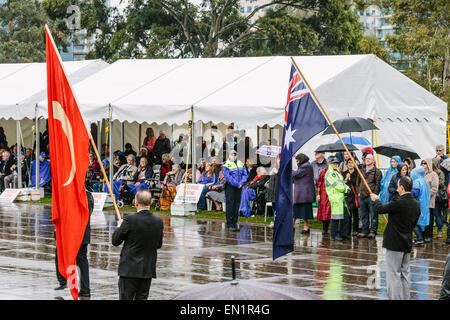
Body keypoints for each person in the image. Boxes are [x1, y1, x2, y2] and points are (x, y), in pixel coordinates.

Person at [370, 176, 420, 300]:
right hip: (407, 241)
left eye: (398, 186)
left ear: (402, 187)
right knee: (404, 273)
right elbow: (413, 223)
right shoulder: (416, 203)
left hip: (394, 243)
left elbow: (379, 209)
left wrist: (376, 200)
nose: (397, 188)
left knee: (393, 274)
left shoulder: (398, 202)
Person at [112, 189, 164, 300]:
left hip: (129, 270)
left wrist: (119, 227)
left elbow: (115, 241)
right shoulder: (158, 221)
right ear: (151, 203)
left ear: (136, 203)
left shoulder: (129, 220)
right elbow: (158, 244)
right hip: (147, 269)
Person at [54, 190, 94, 300]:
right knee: (81, 261)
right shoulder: (88, 195)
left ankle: (70, 285)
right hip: (82, 233)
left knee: (71, 260)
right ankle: (84, 289)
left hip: (72, 233)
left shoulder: (70, 194)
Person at [356, 153, 382, 239]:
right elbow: (358, 182)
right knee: (363, 215)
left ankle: (372, 231)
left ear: (373, 161)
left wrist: (374, 194)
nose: (367, 160)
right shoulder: (361, 170)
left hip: (371, 196)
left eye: (369, 159)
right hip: (362, 196)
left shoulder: (377, 172)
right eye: (366, 158)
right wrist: (358, 192)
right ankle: (364, 231)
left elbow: (378, 185)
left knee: (373, 214)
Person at [222, 150, 248, 231]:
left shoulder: (241, 164)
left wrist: (241, 183)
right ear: (229, 156)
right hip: (230, 187)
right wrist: (237, 184)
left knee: (236, 205)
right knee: (230, 205)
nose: (234, 156)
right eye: (232, 155)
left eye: (235, 155)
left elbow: (245, 175)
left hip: (239, 187)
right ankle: (229, 224)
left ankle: (235, 223)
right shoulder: (226, 165)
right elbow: (228, 177)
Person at [325, 157, 350, 241]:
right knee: (335, 218)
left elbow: (342, 183)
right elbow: (338, 186)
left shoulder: (337, 172)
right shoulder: (331, 173)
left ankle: (343, 234)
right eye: (334, 163)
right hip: (335, 198)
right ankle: (334, 235)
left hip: (340, 198)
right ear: (330, 164)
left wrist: (347, 187)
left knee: (344, 216)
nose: (336, 165)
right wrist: (346, 189)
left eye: (337, 163)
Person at [292, 153, 315, 234]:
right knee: (296, 210)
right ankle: (294, 226)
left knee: (302, 211)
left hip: (304, 194)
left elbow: (296, 174)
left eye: (297, 160)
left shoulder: (305, 166)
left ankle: (305, 227)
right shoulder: (304, 166)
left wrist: (288, 169)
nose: (296, 162)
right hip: (302, 194)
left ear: (301, 159)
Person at [410, 166, 430, 245]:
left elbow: (414, 193)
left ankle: (419, 239)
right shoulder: (424, 181)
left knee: (413, 223)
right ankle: (421, 238)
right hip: (424, 206)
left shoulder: (417, 182)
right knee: (419, 222)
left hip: (417, 206)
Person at [421, 159, 439, 243]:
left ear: (429, 164)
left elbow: (434, 188)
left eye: (425, 163)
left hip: (429, 201)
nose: (423, 165)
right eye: (422, 163)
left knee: (429, 218)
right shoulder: (421, 174)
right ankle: (422, 235)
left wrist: (426, 195)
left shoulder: (433, 174)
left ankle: (429, 235)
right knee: (422, 218)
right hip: (421, 201)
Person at [343, 158, 360, 236]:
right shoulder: (344, 173)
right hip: (347, 196)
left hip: (354, 195)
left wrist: (350, 179)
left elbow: (356, 183)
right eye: (349, 162)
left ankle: (355, 230)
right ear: (346, 164)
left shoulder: (357, 173)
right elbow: (342, 184)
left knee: (355, 214)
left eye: (352, 162)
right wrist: (346, 179)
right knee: (348, 214)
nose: (350, 164)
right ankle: (347, 230)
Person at [317, 156, 332, 235]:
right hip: (324, 194)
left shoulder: (337, 171)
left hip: (332, 194)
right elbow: (319, 183)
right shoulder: (323, 171)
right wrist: (318, 194)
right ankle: (325, 229)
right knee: (324, 212)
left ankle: (331, 228)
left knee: (331, 212)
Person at [432, 158, 446, 239]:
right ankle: (439, 230)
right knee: (437, 214)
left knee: (437, 214)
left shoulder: (440, 173)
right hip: (434, 196)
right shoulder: (430, 172)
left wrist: (434, 180)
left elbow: (441, 184)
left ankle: (439, 231)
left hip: (438, 197)